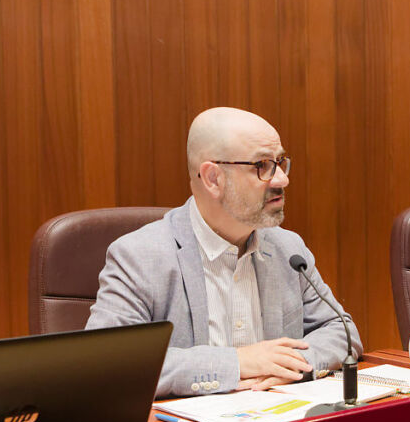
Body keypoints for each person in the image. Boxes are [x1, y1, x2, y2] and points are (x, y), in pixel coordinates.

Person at [87, 107, 361, 397]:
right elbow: (108, 366)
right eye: (262, 166)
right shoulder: (140, 257)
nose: (282, 179)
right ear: (213, 178)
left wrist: (293, 365)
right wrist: (237, 362)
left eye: (280, 162)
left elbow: (342, 332)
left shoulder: (288, 249)